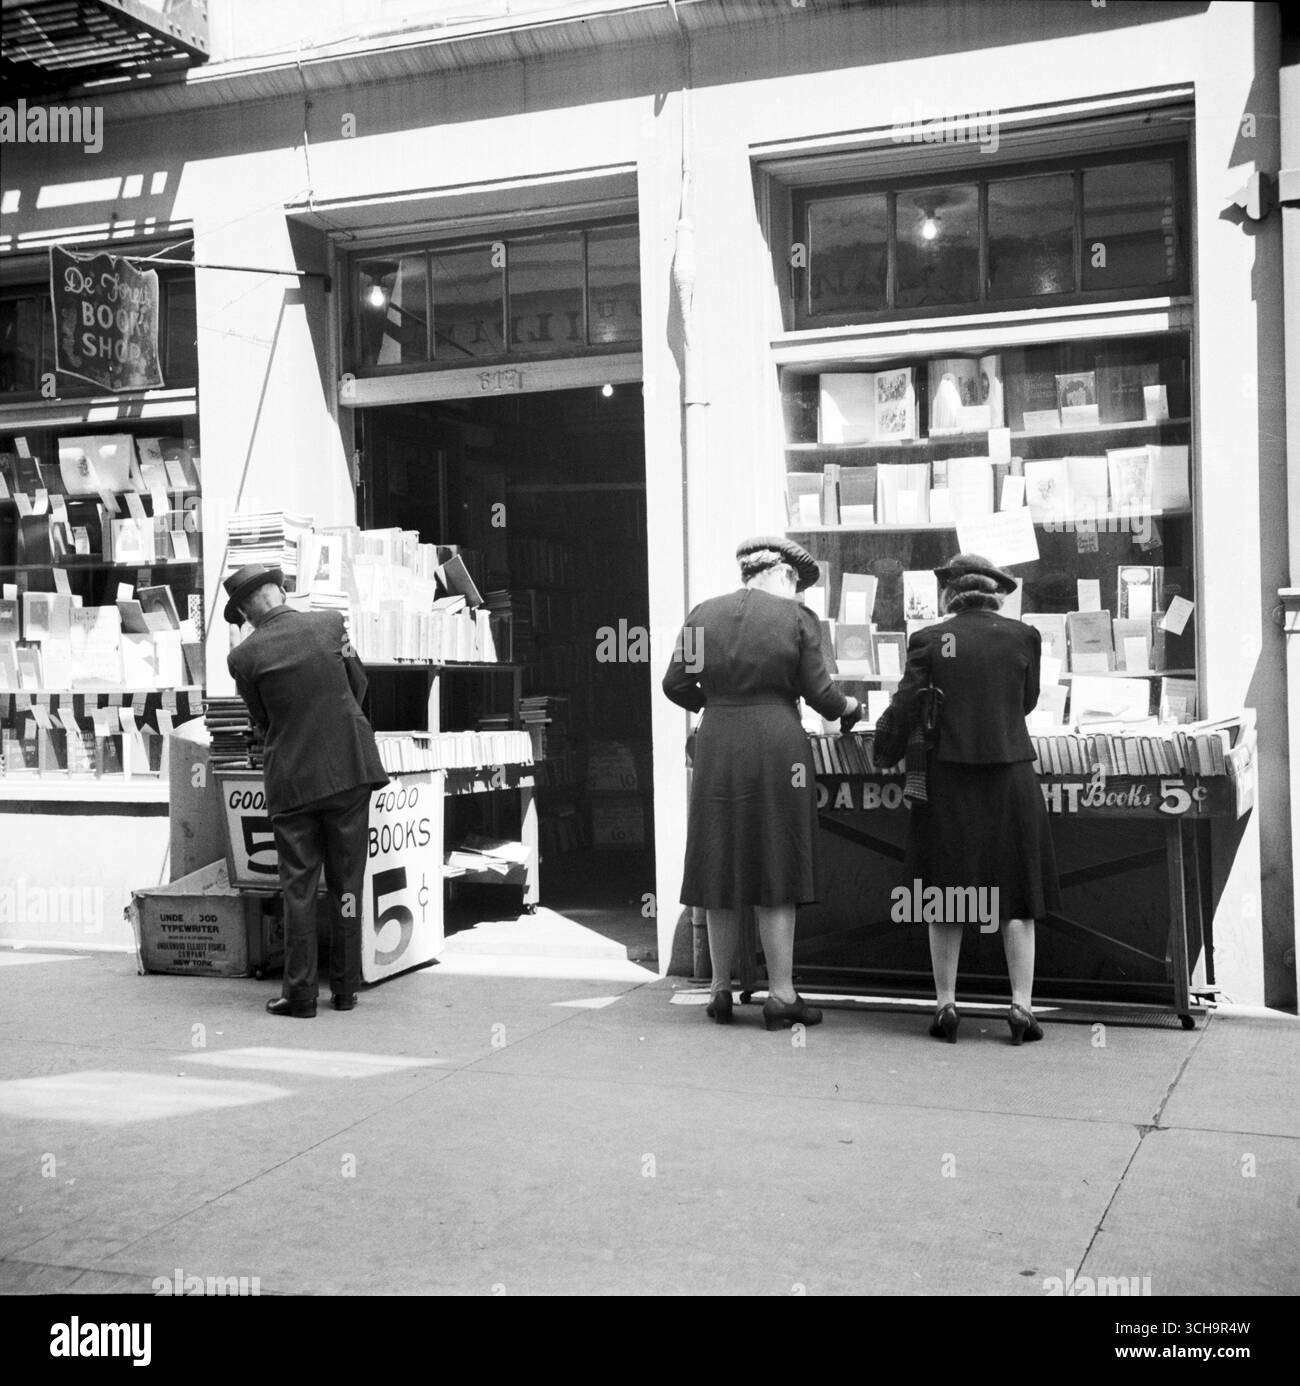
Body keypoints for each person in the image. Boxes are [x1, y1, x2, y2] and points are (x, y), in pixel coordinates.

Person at [663, 537, 860, 1030]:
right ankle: (780, 995)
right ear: (788, 577)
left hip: (718, 745)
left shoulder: (702, 613)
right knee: (777, 861)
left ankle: (719, 990)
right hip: (777, 746)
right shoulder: (796, 618)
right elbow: (821, 693)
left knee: (719, 862)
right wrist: (851, 709)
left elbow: (674, 684)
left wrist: (719, 706)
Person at [881, 553, 1060, 1045]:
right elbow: (1026, 701)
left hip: (947, 781)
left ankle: (946, 1005)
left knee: (945, 894)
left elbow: (906, 703)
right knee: (1016, 898)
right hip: (1010, 779)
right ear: (995, 595)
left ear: (949, 595)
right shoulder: (1023, 637)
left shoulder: (929, 640)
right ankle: (1021, 1006)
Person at [224, 563, 389, 1018]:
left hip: (294, 781)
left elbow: (262, 721)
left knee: (298, 889)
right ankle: (345, 990)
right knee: (347, 885)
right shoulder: (330, 623)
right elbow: (359, 684)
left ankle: (299, 996)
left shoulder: (244, 657)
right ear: (279, 590)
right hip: (349, 770)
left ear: (244, 609)